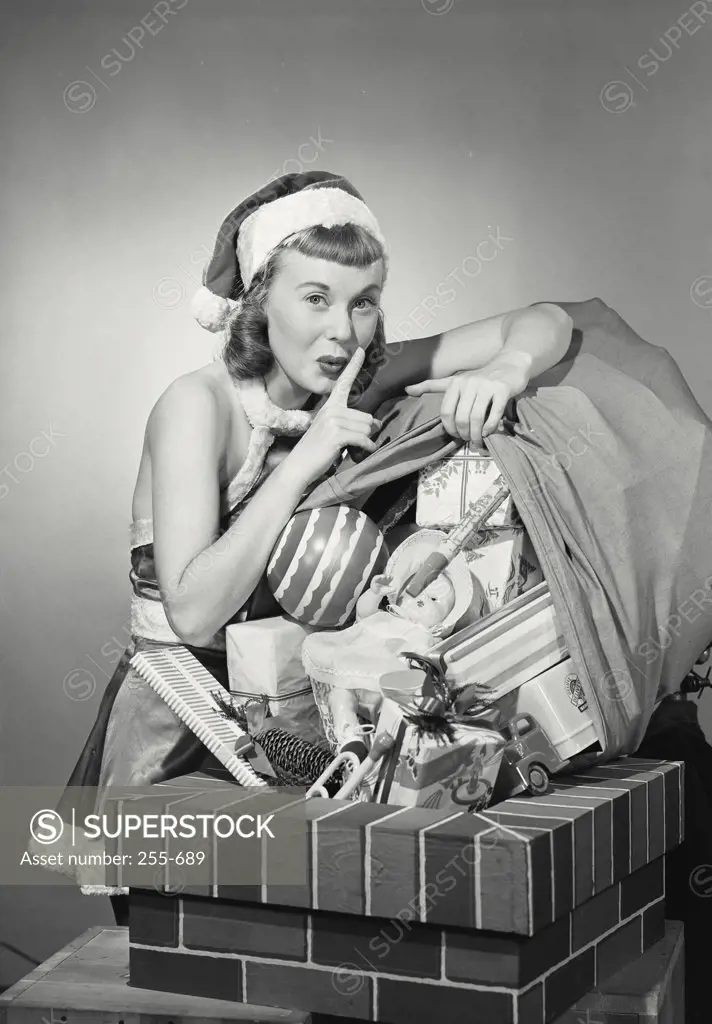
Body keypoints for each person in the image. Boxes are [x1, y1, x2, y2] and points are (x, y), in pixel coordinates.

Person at [44, 169, 572, 924]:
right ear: (261, 301)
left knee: (323, 930)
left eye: (362, 303)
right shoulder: (196, 406)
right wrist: (306, 458)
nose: (341, 330)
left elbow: (549, 319)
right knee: (193, 952)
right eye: (315, 297)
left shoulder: (356, 374)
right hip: (184, 726)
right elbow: (194, 615)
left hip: (294, 709)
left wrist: (508, 369)